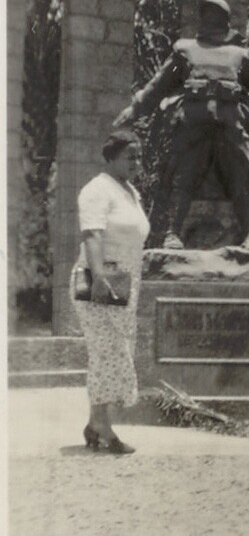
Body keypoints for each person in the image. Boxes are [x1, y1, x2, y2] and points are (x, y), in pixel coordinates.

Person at [113, 0, 249, 250]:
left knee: (241, 177)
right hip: (192, 125)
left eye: (216, 14)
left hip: (229, 126)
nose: (211, 18)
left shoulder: (240, 55)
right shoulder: (184, 51)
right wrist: (135, 108)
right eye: (207, 13)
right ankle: (173, 233)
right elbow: (158, 84)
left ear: (226, 21)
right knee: (183, 177)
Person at [71, 130, 150, 454]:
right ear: (112, 157)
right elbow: (92, 235)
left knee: (115, 349)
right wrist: (99, 277)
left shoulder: (130, 192)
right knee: (108, 351)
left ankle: (95, 423)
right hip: (99, 279)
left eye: (139, 157)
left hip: (124, 281)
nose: (137, 163)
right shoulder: (97, 190)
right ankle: (103, 427)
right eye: (130, 157)